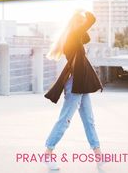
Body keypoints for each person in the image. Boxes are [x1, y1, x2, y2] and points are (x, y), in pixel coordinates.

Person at [44, 10, 103, 170]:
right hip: (74, 84)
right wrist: (84, 13)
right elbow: (92, 19)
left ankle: (98, 156)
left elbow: (86, 37)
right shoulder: (71, 36)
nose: (84, 25)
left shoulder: (76, 37)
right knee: (65, 120)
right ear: (76, 23)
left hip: (82, 84)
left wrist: (81, 24)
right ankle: (48, 153)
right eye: (81, 22)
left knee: (89, 121)